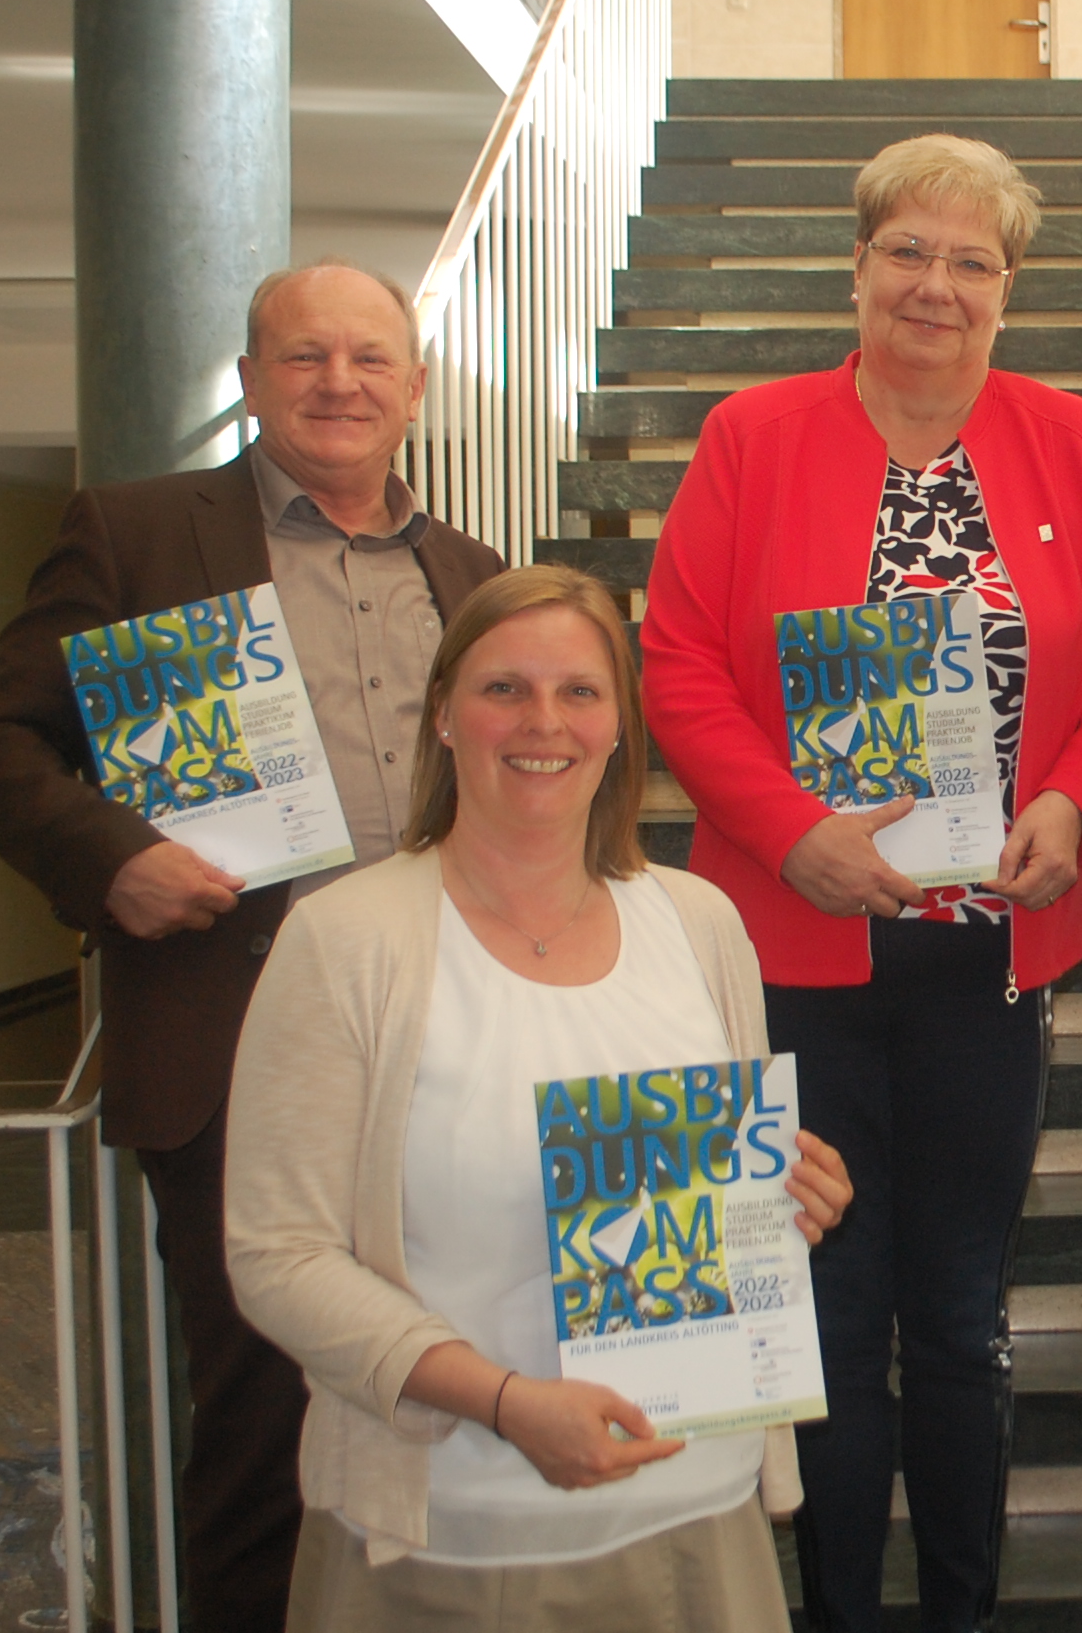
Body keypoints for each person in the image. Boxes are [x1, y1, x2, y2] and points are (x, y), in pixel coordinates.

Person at [636, 133, 1082, 1631]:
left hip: (990, 958)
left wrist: (1075, 801)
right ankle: (833, 1613)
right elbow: (676, 658)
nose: (937, 286)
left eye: (973, 262)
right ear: (859, 268)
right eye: (909, 252)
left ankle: (958, 1608)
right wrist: (790, 827)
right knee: (818, 1307)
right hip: (800, 942)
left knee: (955, 1318)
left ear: (1011, 291)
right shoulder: (754, 433)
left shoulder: (1071, 439)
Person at [0, 261, 503, 1630]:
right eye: (304, 357)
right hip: (241, 1056)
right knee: (262, 1435)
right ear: (251, 382)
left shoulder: (476, 572)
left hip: (454, 1058)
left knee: (460, 1406)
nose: (339, 383)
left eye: (371, 359)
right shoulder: (136, 536)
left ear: (415, 391)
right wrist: (113, 859)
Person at [224, 566, 854, 1627]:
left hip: (698, 1526)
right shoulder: (346, 938)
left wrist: (793, 1194)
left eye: (579, 691)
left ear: (619, 726)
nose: (542, 722)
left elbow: (739, 1211)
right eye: (503, 688)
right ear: (440, 715)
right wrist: (507, 1403)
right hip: (451, 1544)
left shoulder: (698, 923)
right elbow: (276, 1254)